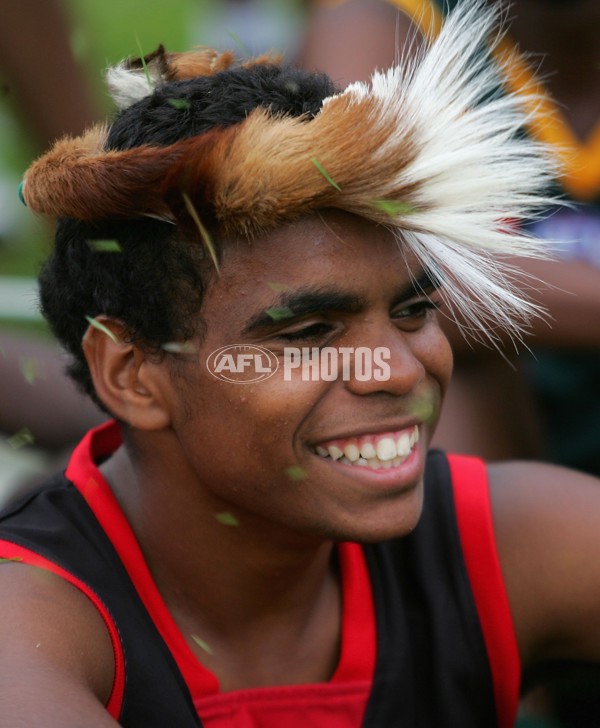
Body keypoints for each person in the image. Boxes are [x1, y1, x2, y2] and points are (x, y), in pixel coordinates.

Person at [2, 2, 600, 726]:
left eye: (412, 312)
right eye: (311, 331)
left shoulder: (506, 541)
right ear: (130, 372)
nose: (399, 372)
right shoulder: (30, 619)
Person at [299, 0, 600, 470]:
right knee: (420, 337)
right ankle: (468, 536)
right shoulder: (388, 27)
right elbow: (351, 256)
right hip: (491, 425)